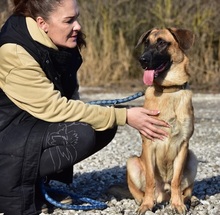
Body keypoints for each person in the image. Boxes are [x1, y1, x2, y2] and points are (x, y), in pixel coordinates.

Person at [0, 0, 169, 214]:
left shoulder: (53, 40)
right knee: (82, 133)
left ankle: (34, 184)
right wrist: (124, 116)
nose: (78, 26)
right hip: (6, 134)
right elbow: (54, 108)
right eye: (69, 20)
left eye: (77, 17)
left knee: (102, 124)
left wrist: (117, 113)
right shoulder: (15, 51)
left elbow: (70, 98)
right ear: (42, 23)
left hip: (26, 126)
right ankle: (8, 185)